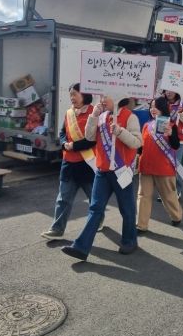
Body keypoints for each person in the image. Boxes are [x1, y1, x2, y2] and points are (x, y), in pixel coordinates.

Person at [61, 94, 142, 261]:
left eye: (107, 96)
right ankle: (81, 247)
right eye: (101, 96)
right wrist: (93, 116)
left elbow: (137, 142)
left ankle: (130, 241)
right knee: (95, 208)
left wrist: (120, 132)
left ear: (118, 96)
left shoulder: (130, 116)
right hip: (102, 170)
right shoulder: (101, 116)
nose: (102, 99)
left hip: (121, 171)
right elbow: (90, 137)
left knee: (127, 209)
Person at [41, 83, 99, 240]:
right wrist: (64, 143)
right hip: (69, 163)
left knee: (94, 199)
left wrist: (73, 146)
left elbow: (93, 139)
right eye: (70, 95)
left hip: (87, 164)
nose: (72, 97)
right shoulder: (69, 113)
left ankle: (98, 220)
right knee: (63, 199)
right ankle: (57, 229)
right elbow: (62, 132)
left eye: (75, 94)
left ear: (84, 94)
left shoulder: (94, 113)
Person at [136, 97, 183, 233]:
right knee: (143, 196)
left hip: (164, 167)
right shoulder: (146, 125)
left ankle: (176, 216)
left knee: (168, 196)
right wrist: (137, 156)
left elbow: (176, 145)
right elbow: (141, 145)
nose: (152, 109)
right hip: (146, 166)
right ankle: (141, 225)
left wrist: (171, 134)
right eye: (151, 107)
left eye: (155, 106)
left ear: (162, 108)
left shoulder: (171, 125)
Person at [162, 90, 183, 198]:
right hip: (163, 139)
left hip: (179, 140)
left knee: (175, 165)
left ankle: (177, 189)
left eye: (171, 90)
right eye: (166, 90)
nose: (168, 92)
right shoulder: (161, 102)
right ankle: (165, 190)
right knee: (164, 166)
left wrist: (182, 112)